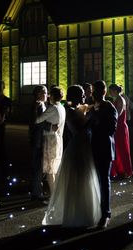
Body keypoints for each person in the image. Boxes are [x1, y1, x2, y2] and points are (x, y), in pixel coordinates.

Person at [42, 85, 102, 228]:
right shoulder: (69, 111)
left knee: (86, 178)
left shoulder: (81, 107)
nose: (83, 96)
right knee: (77, 180)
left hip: (86, 146)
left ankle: (85, 212)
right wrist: (91, 119)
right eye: (81, 94)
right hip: (77, 147)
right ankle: (74, 215)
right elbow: (78, 129)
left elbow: (93, 105)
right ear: (73, 96)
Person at [87, 80, 118, 229]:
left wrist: (96, 119)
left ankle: (105, 214)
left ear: (103, 92)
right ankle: (95, 211)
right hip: (92, 147)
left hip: (104, 147)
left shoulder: (109, 107)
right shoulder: (93, 108)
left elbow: (111, 129)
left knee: (104, 181)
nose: (93, 94)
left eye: (95, 91)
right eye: (93, 91)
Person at [34, 86, 66, 196]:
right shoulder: (61, 107)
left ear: (52, 96)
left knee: (49, 171)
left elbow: (37, 120)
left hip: (50, 140)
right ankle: (56, 193)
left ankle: (54, 196)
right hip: (58, 139)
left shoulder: (52, 108)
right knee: (55, 169)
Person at [108, 84, 133, 179]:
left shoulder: (120, 100)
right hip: (118, 127)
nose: (109, 92)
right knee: (117, 149)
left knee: (122, 149)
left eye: (110, 91)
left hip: (120, 127)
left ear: (115, 91)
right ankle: (120, 169)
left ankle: (126, 170)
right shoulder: (117, 99)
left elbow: (117, 114)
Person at [29, 85, 48, 202]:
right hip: (39, 139)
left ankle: (37, 190)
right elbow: (39, 123)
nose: (47, 94)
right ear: (38, 94)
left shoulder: (37, 104)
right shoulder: (39, 105)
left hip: (35, 138)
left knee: (37, 165)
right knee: (38, 166)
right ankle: (36, 193)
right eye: (44, 92)